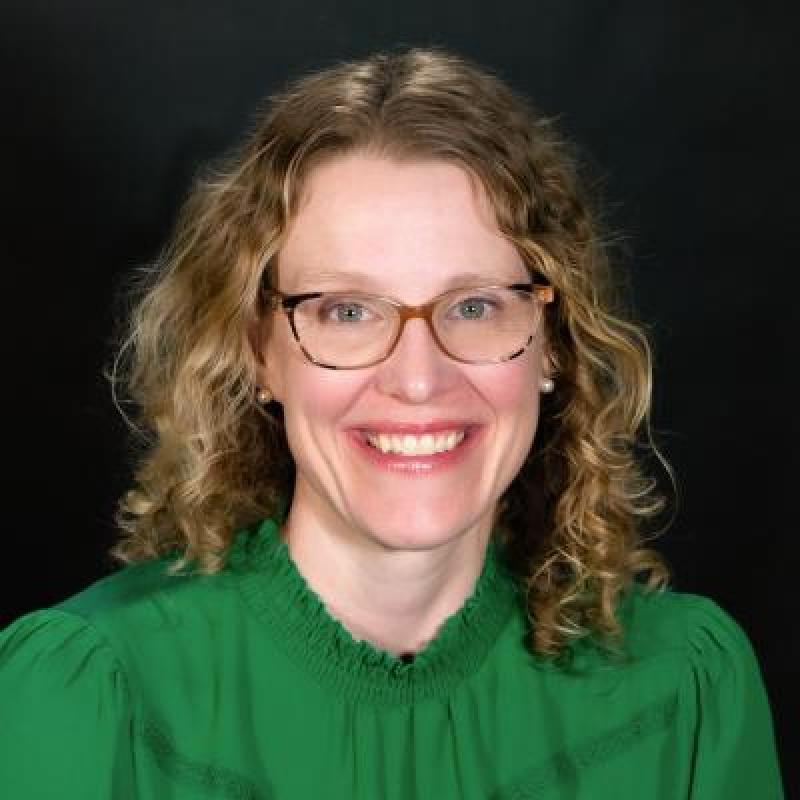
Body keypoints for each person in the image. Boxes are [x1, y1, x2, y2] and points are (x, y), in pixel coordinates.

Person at [0, 47, 784, 799]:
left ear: (553, 342)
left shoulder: (686, 685)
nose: (417, 379)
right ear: (258, 353)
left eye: (474, 306)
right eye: (347, 311)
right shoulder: (88, 691)